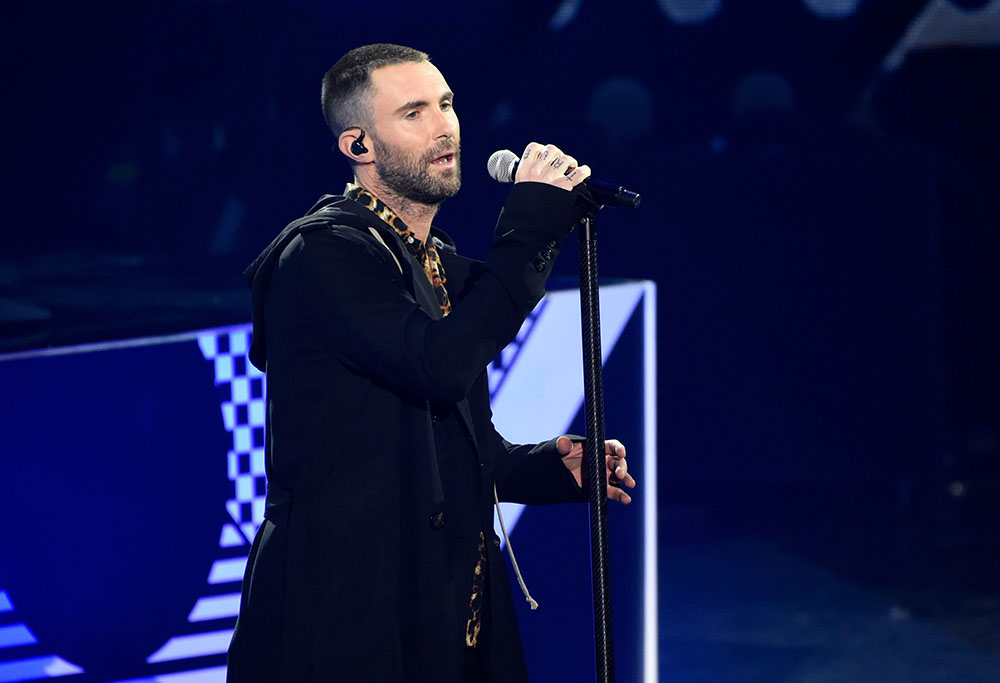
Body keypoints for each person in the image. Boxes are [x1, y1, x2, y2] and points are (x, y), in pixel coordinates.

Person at [228, 43, 636, 682]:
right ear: (359, 146)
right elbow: (439, 364)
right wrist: (529, 229)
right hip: (349, 614)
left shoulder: (436, 262)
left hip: (446, 605)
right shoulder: (324, 256)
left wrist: (544, 470)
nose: (444, 126)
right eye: (413, 112)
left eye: (446, 104)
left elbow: (450, 449)